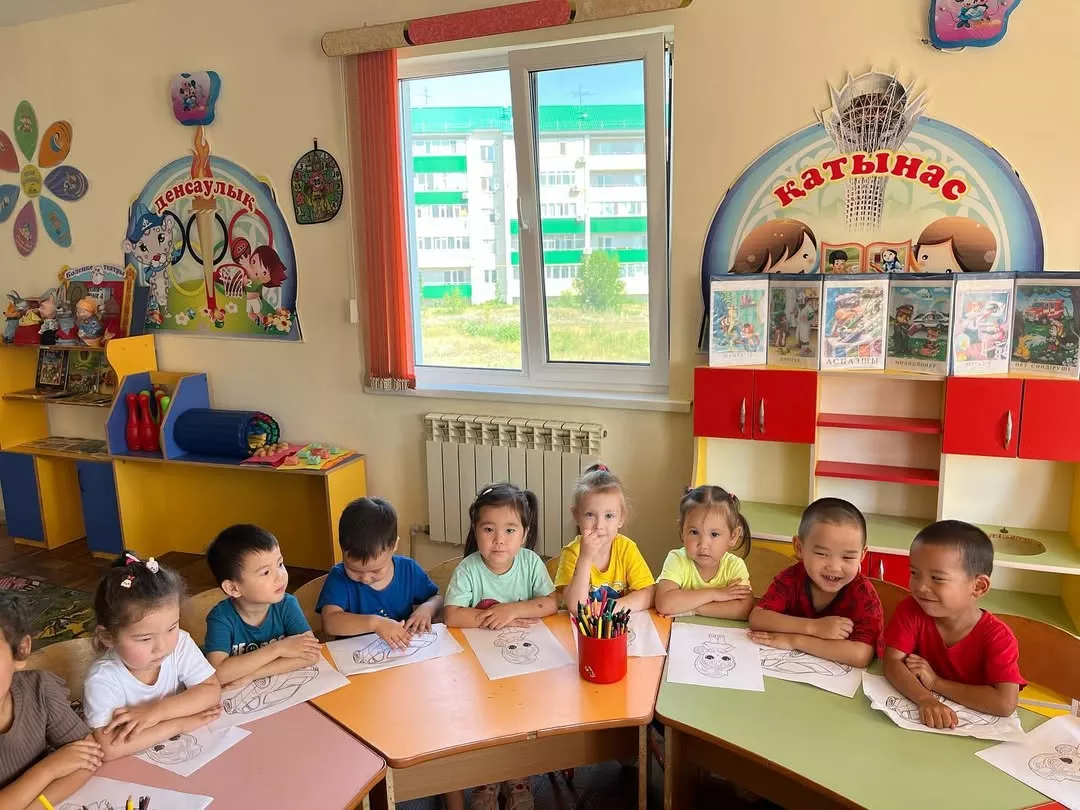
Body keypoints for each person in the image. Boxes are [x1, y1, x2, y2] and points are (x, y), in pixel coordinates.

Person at [444, 483, 558, 810]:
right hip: (480, 667)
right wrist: (494, 617)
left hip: (524, 664)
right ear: (475, 530)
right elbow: (451, 615)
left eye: (509, 530)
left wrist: (513, 610)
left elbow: (551, 602)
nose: (499, 540)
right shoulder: (469, 569)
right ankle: (486, 779)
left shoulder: (531, 563)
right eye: (488, 529)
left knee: (521, 721)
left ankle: (518, 778)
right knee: (485, 722)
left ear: (524, 533)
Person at [883, 521, 1024, 728]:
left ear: (978, 586)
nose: (921, 587)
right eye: (914, 573)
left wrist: (935, 683)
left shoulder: (998, 637)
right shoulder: (911, 610)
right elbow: (892, 662)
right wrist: (925, 699)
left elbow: (1005, 703)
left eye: (937, 578)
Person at [83, 553, 222, 760]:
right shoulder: (102, 678)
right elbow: (109, 747)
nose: (162, 647)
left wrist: (157, 712)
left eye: (172, 628)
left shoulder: (180, 643)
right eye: (145, 639)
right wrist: (178, 725)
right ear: (108, 637)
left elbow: (210, 689)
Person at [748, 498, 882, 667]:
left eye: (848, 557)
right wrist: (814, 627)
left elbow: (861, 655)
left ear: (862, 555)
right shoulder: (792, 578)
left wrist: (795, 641)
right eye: (822, 554)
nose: (834, 567)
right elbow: (758, 618)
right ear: (799, 548)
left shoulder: (863, 595)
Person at [0, 593, 103, 808]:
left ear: (21, 650)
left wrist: (36, 806)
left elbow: (88, 756)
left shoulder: (39, 689)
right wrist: (48, 770)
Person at [203, 525, 322, 689]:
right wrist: (278, 649)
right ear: (233, 588)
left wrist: (253, 675)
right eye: (266, 572)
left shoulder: (286, 604)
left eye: (280, 564)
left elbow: (312, 655)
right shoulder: (221, 618)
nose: (280, 576)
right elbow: (218, 674)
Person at [317, 498, 442, 645]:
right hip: (353, 654)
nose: (365, 579)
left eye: (376, 571)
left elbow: (437, 599)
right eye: (354, 570)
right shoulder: (339, 577)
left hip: (401, 650)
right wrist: (375, 623)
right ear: (342, 549)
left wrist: (427, 609)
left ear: (394, 546)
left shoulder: (408, 570)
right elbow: (330, 622)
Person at [554, 465, 655, 614]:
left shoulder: (627, 549)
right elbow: (575, 607)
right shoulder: (572, 553)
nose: (599, 526)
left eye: (609, 516)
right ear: (576, 515)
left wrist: (608, 608)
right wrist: (585, 558)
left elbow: (649, 594)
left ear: (621, 518)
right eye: (590, 514)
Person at [655, 486, 753, 620]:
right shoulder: (677, 559)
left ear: (733, 536)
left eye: (714, 534)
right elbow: (664, 604)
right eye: (694, 532)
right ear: (682, 532)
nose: (703, 544)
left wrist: (694, 608)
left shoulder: (734, 566)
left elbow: (744, 610)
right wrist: (714, 594)